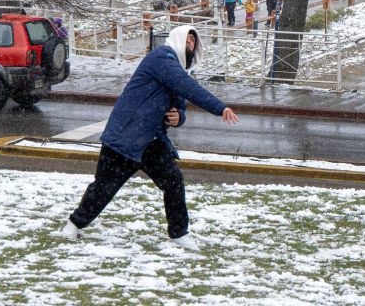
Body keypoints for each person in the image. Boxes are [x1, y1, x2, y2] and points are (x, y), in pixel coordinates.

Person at [61, 25, 240, 250]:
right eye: (188, 39)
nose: (191, 44)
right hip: (125, 137)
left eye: (194, 41)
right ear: (178, 39)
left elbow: (179, 103)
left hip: (151, 141)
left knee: (173, 181)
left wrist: (179, 117)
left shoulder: (177, 70)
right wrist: (219, 107)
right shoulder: (161, 58)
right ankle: (73, 225)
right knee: (104, 187)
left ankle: (179, 233)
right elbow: (188, 87)